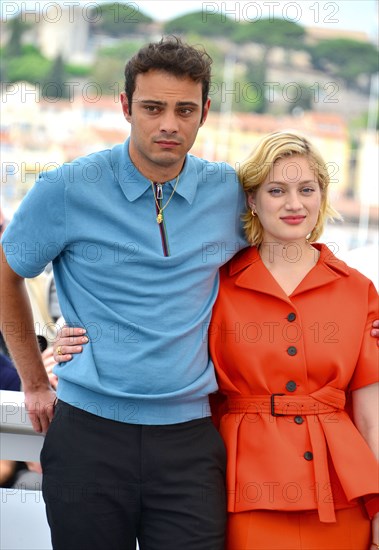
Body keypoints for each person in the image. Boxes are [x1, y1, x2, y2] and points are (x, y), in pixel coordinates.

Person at [0, 36, 247, 550]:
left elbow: (293, 252)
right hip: (88, 434)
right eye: (152, 108)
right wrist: (33, 380)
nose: (169, 125)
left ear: (204, 112)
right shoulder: (67, 188)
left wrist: (362, 322)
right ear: (125, 107)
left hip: (191, 440)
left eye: (184, 110)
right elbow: (7, 273)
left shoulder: (229, 191)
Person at [208, 131, 378, 549]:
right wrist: (77, 346)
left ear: (322, 195)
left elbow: (372, 416)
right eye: (276, 190)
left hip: (342, 495)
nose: (294, 204)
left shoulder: (358, 290)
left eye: (306, 189)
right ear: (252, 199)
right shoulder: (214, 285)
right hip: (244, 491)